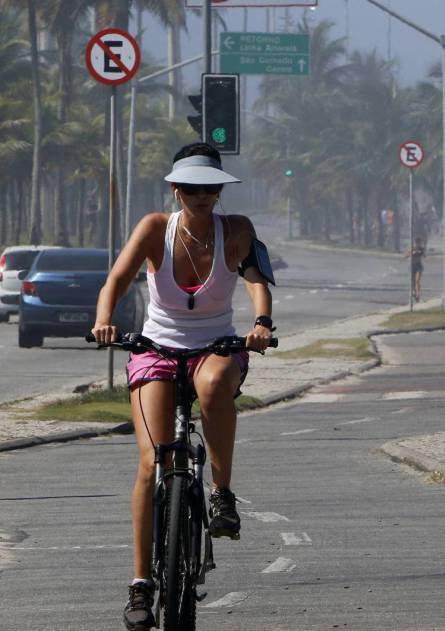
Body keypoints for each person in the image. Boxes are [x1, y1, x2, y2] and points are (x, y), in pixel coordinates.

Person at [91, 143, 274, 631]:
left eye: (210, 188)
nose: (201, 196)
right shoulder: (155, 228)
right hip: (156, 346)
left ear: (220, 191)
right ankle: (140, 584)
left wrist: (261, 322)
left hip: (216, 344)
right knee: (153, 461)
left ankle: (223, 494)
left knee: (214, 384)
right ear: (175, 189)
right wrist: (105, 321)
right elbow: (116, 280)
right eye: (191, 188)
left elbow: (257, 279)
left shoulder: (237, 230)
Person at [405, 236, 425, 302]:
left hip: (418, 266)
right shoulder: (412, 248)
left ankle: (418, 294)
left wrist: (420, 253)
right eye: (416, 243)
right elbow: (406, 255)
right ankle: (413, 292)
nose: (417, 244)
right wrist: (411, 253)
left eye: (419, 243)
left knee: (417, 281)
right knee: (412, 281)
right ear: (414, 243)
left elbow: (424, 255)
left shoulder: (421, 249)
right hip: (412, 266)